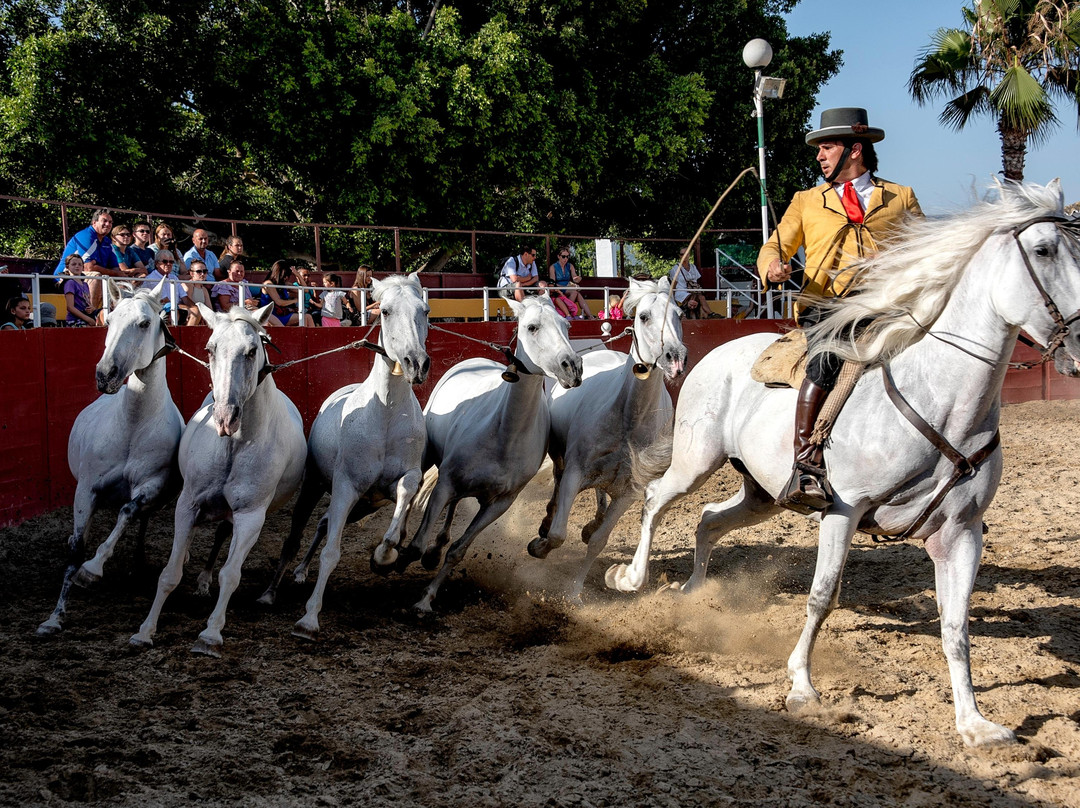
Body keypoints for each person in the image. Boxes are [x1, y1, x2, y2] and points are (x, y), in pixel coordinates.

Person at [757, 107, 924, 512]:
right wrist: (773, 267)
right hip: (826, 307)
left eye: (826, 147)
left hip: (884, 306)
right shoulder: (806, 201)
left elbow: (925, 248)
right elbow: (775, 246)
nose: (819, 156)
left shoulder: (899, 197)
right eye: (819, 149)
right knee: (825, 362)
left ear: (855, 149)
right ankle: (806, 465)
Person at [53, 209, 122, 310]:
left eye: (110, 222)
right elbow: (89, 268)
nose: (108, 224)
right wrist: (115, 273)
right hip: (65, 276)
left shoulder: (107, 241)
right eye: (104, 221)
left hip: (85, 276)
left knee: (125, 283)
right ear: (94, 222)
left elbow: (115, 268)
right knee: (97, 277)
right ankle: (90, 314)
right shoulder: (86, 236)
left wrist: (121, 276)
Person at [142, 250, 194, 321]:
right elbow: (166, 301)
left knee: (197, 310)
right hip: (159, 310)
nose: (169, 264)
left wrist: (194, 307)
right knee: (172, 309)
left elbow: (185, 298)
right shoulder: (152, 278)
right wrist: (187, 308)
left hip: (176, 307)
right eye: (165, 261)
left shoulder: (174, 277)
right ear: (157, 264)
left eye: (171, 262)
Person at [260, 260, 313, 326]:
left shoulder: (284, 284)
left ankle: (312, 336)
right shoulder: (268, 284)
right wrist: (295, 300)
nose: (287, 278)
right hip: (272, 315)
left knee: (308, 317)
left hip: (282, 314)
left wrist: (297, 275)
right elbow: (279, 302)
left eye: (288, 275)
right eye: (285, 275)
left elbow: (306, 290)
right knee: (304, 318)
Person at [669, 248, 718, 319]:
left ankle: (705, 316)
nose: (683, 256)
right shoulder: (675, 269)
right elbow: (673, 286)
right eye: (681, 254)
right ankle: (710, 314)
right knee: (700, 298)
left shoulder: (693, 267)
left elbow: (695, 282)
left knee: (698, 300)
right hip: (681, 294)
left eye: (685, 254)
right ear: (679, 256)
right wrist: (672, 300)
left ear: (689, 255)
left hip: (692, 293)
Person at [548, 248, 594, 318]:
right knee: (575, 292)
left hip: (568, 288)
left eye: (567, 256)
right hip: (558, 289)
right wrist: (568, 287)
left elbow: (575, 278)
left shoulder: (570, 266)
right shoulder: (553, 267)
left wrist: (578, 279)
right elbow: (553, 284)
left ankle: (589, 315)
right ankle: (571, 312)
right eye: (563, 256)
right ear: (558, 256)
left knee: (577, 293)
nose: (565, 259)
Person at [60, 254, 99, 326]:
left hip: (86, 316)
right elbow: (70, 307)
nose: (77, 266)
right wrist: (88, 319)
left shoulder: (85, 284)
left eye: (80, 264)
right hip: (74, 319)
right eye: (74, 264)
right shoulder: (70, 283)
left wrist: (92, 308)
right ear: (67, 267)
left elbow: (87, 302)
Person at [181, 260, 214, 325]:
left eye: (205, 271)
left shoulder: (204, 289)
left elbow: (210, 309)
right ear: (191, 273)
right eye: (199, 271)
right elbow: (189, 305)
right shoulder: (188, 286)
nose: (202, 274)